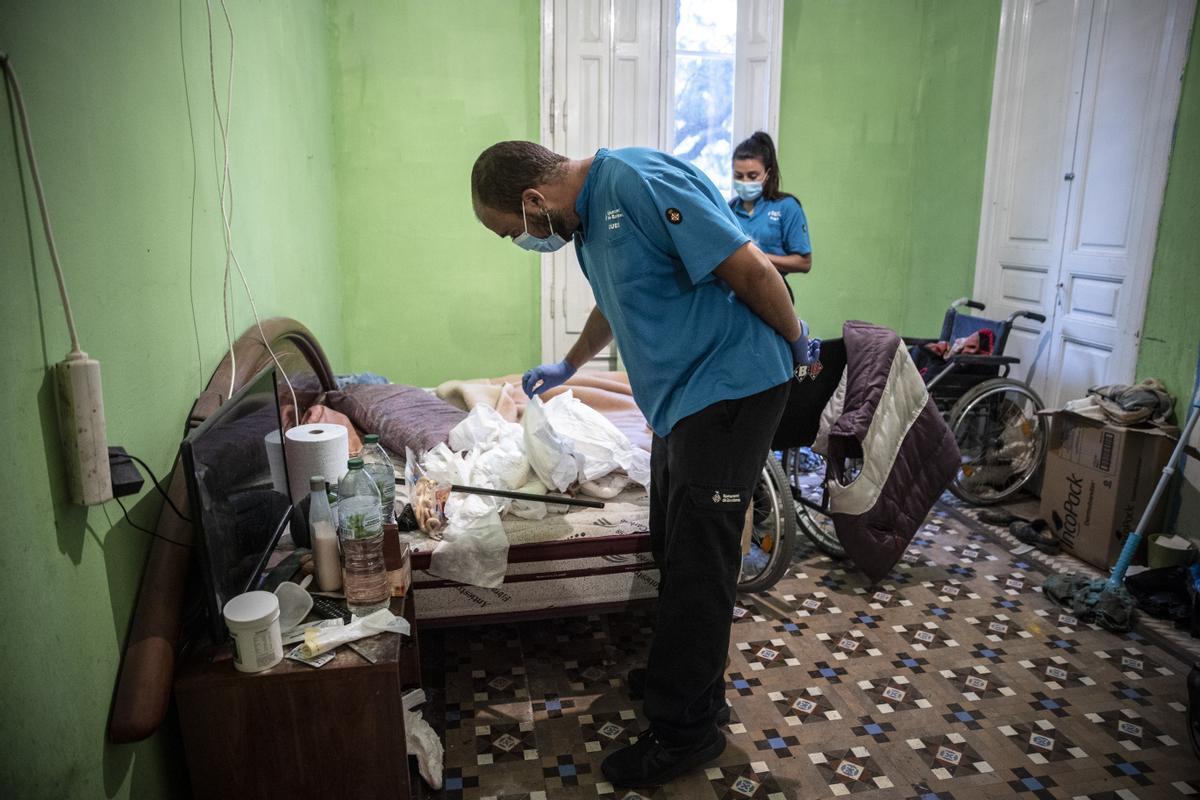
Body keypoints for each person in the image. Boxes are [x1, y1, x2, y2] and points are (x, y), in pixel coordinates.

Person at [470, 141, 810, 788]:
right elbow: (617, 304)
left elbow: (751, 269)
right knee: (673, 547)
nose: (516, 241)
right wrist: (569, 365)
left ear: (533, 201)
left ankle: (686, 733)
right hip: (680, 400)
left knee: (701, 567)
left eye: (510, 230)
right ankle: (689, 689)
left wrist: (799, 344)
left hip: (733, 387)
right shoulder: (583, 224)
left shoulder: (635, 182)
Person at [730, 131, 812, 301]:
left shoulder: (787, 207)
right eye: (738, 176)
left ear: (767, 173)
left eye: (752, 176)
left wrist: (759, 259)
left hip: (772, 295)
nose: (745, 182)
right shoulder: (728, 209)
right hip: (734, 296)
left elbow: (804, 263)